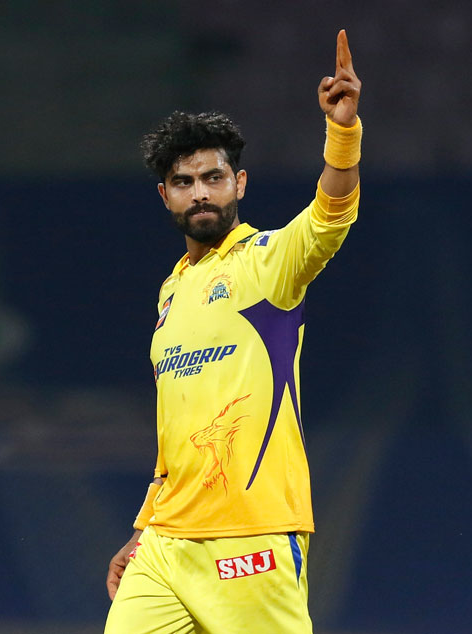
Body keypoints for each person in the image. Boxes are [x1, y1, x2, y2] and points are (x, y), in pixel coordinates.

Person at [104, 29, 362, 634]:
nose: (201, 193)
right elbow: (177, 431)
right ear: (166, 196)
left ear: (238, 184)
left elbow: (331, 216)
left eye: (213, 178)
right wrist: (144, 527)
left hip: (250, 535)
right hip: (166, 542)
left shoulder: (267, 262)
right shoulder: (172, 290)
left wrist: (343, 130)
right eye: (185, 183)